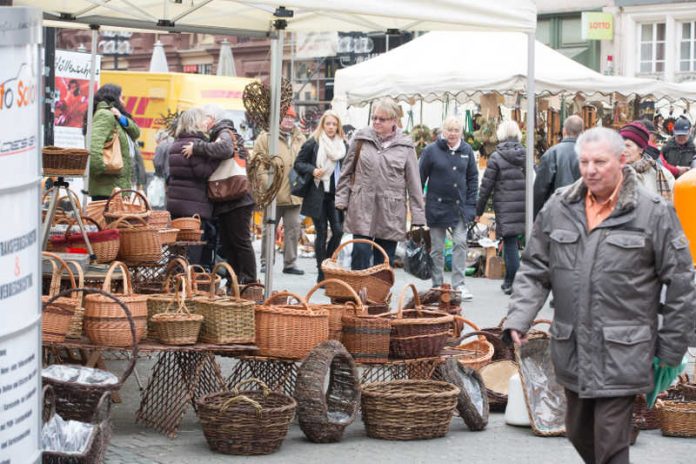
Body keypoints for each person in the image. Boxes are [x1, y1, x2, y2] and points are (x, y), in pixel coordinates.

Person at [502, 127, 695, 464]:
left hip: (625, 349)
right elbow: (535, 267)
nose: (590, 169)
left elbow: (681, 282)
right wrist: (519, 316)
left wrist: (672, 344)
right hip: (572, 345)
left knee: (609, 442)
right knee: (578, 432)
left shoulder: (653, 212)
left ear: (622, 160)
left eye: (600, 162)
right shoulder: (560, 206)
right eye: (584, 161)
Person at [335, 98, 425, 270]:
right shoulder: (361, 139)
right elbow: (346, 172)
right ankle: (358, 294)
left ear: (394, 121)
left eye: (381, 119)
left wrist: (418, 215)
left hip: (390, 210)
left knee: (384, 261)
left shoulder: (405, 146)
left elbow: (414, 183)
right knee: (360, 253)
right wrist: (341, 199)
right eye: (374, 118)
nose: (376, 122)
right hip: (362, 206)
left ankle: (379, 296)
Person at [182, 104, 257, 284]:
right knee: (231, 243)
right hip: (230, 198)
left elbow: (225, 149)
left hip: (237, 197)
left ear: (213, 118)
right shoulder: (221, 133)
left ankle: (249, 282)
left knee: (240, 241)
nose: (203, 122)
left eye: (205, 117)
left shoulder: (224, 131)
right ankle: (237, 280)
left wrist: (197, 147)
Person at [418, 116, 478, 300]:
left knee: (460, 243)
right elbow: (419, 177)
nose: (452, 133)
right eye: (449, 130)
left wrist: (471, 206)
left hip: (459, 208)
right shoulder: (431, 151)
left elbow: (473, 179)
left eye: (456, 130)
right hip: (436, 207)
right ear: (443, 131)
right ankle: (437, 286)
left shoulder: (467, 150)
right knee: (437, 248)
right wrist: (417, 204)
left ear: (461, 132)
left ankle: (459, 285)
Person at [293, 110, 347, 282]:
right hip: (317, 193)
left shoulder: (342, 145)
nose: (331, 127)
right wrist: (313, 170)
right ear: (322, 125)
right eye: (328, 124)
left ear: (338, 126)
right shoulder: (313, 143)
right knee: (321, 232)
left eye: (334, 124)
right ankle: (321, 274)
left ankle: (328, 263)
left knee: (338, 231)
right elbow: (298, 164)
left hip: (335, 194)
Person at [475, 120, 526, 295]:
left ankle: (515, 282)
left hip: (505, 205)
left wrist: (478, 211)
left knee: (510, 243)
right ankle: (509, 281)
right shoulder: (525, 154)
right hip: (523, 205)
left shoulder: (497, 157)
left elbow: (486, 187)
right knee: (515, 243)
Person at [255, 106, 307, 275]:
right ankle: (266, 262)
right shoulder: (266, 138)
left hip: (294, 193)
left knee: (293, 230)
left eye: (292, 117)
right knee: (269, 229)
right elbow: (257, 162)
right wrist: (266, 183)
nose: (289, 120)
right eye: (286, 117)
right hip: (274, 192)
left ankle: (290, 263)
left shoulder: (301, 138)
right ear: (278, 119)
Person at [166, 108, 220, 267]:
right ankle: (188, 282)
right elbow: (202, 172)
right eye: (203, 119)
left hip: (177, 203)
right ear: (195, 122)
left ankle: (175, 278)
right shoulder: (194, 144)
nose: (206, 123)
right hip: (194, 206)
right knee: (192, 249)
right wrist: (216, 158)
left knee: (178, 246)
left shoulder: (176, 143)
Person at [85, 84, 140, 201]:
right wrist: (102, 170)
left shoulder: (115, 116)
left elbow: (135, 132)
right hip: (107, 189)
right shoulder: (105, 115)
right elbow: (93, 146)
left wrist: (121, 117)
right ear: (114, 98)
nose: (123, 101)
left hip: (114, 188)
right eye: (121, 97)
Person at [533, 115, 583, 218]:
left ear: (564, 131)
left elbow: (540, 191)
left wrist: (535, 218)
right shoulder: (591, 154)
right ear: (582, 132)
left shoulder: (551, 154)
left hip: (558, 215)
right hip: (583, 215)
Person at [619, 121, 674, 201]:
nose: (623, 150)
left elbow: (672, 206)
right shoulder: (612, 172)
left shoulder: (663, 175)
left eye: (628, 145)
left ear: (641, 149)